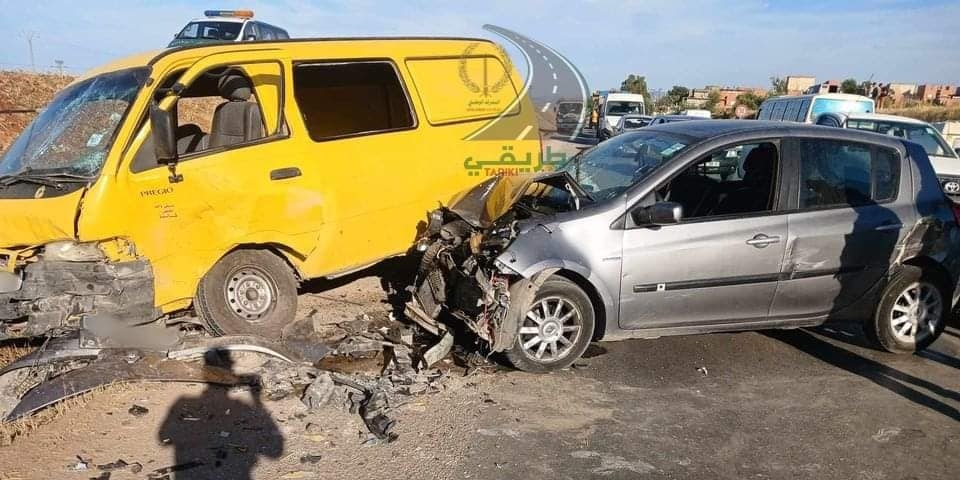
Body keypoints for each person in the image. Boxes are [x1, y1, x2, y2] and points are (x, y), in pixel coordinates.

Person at [157, 354, 283, 479]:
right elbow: (275, 452)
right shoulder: (237, 405)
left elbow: (164, 437)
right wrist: (256, 400)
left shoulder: (183, 401)